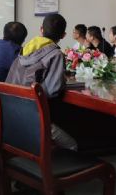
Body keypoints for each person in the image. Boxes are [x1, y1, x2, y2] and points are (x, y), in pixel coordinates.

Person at [6, 13, 77, 151]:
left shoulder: (24, 49)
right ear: (63, 35)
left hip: (13, 113)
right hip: (33, 118)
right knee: (73, 145)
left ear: (41, 29)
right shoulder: (56, 54)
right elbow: (53, 90)